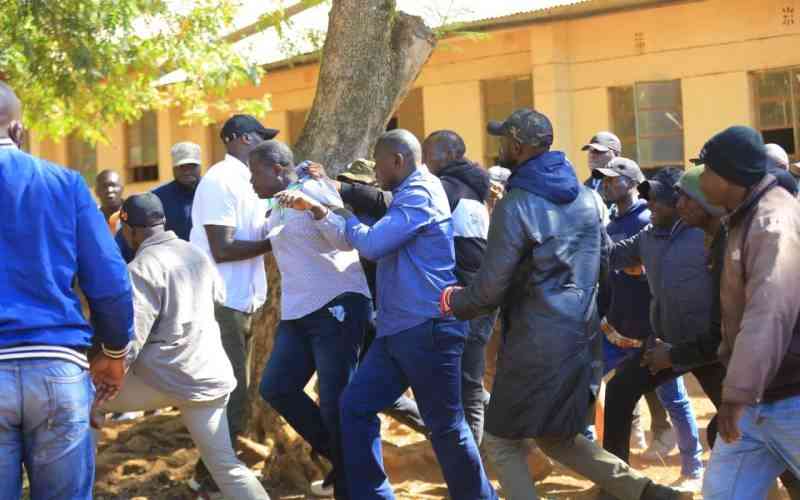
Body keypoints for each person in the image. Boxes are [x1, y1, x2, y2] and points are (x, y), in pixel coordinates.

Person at [441, 108, 690, 500]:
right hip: (582, 341)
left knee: (500, 440)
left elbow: (488, 291)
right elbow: (604, 273)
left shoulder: (515, 204)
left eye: (503, 139)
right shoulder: (589, 199)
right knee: (558, 438)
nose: (498, 146)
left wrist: (454, 301)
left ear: (517, 146)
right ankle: (649, 493)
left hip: (533, 347)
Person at [332, 129, 496, 499]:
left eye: (378, 165)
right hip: (396, 330)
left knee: (447, 427)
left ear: (398, 160)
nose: (376, 172)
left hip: (428, 329)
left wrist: (344, 216)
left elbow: (373, 244)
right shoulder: (408, 191)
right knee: (355, 407)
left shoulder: (421, 192)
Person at [0, 82, 133, 499]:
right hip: (57, 370)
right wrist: (113, 352)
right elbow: (110, 281)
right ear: (18, 130)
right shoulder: (65, 184)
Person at [98, 193, 270, 500]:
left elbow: (132, 337)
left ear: (130, 231)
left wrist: (109, 378)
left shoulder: (141, 268)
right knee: (225, 465)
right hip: (209, 376)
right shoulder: (195, 253)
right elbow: (219, 296)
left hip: (169, 377)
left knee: (88, 400)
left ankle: (73, 488)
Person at [249, 141, 372, 500]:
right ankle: (347, 460)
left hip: (337, 304)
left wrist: (315, 208)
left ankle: (352, 482)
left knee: (335, 401)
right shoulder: (275, 205)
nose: (251, 181)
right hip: (298, 311)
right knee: (276, 387)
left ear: (277, 169)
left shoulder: (313, 189)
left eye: (255, 173)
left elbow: (346, 240)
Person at [697, 126, 800, 499]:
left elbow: (768, 314)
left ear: (727, 177)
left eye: (707, 170)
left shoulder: (772, 222)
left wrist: (737, 393)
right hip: (758, 400)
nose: (701, 179)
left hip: (790, 395)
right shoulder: (744, 216)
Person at [602, 167, 707, 492]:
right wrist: (588, 224)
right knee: (619, 390)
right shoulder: (648, 236)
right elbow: (611, 256)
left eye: (658, 199)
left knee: (744, 413)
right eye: (649, 198)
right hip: (667, 344)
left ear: (680, 201)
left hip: (712, 345)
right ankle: (617, 486)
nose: (651, 205)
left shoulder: (705, 233)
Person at [188, 114, 277, 493]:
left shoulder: (250, 182)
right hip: (220, 302)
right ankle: (210, 480)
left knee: (238, 398)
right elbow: (222, 248)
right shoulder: (220, 180)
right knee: (232, 398)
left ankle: (206, 475)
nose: (265, 144)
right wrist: (275, 242)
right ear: (239, 139)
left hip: (244, 302)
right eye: (259, 137)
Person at [592, 157, 674, 454]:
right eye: (604, 180)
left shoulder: (651, 222)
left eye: (613, 179)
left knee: (672, 395)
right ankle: (613, 465)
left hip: (663, 330)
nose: (606, 184)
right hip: (626, 325)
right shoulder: (629, 228)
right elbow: (612, 258)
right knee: (614, 386)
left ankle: (687, 455)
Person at [421, 129, 494, 446]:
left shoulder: (446, 189)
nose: (425, 161)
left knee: (467, 387)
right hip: (480, 296)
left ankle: (471, 464)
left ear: (451, 155)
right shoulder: (471, 188)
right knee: (468, 382)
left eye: (429, 154)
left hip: (467, 299)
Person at [95, 168, 124, 233]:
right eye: (104, 186)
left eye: (113, 185)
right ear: (96, 191)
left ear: (122, 188)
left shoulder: (133, 214)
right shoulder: (92, 218)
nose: (109, 190)